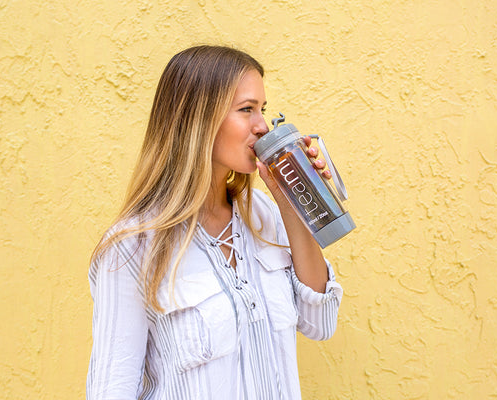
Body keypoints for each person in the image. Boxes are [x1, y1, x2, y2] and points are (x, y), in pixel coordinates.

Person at [86, 45, 343, 400]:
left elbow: (321, 323)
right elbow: (111, 389)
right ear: (198, 119)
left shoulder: (263, 216)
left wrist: (293, 200)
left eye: (263, 110)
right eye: (247, 110)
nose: (262, 126)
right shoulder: (132, 248)